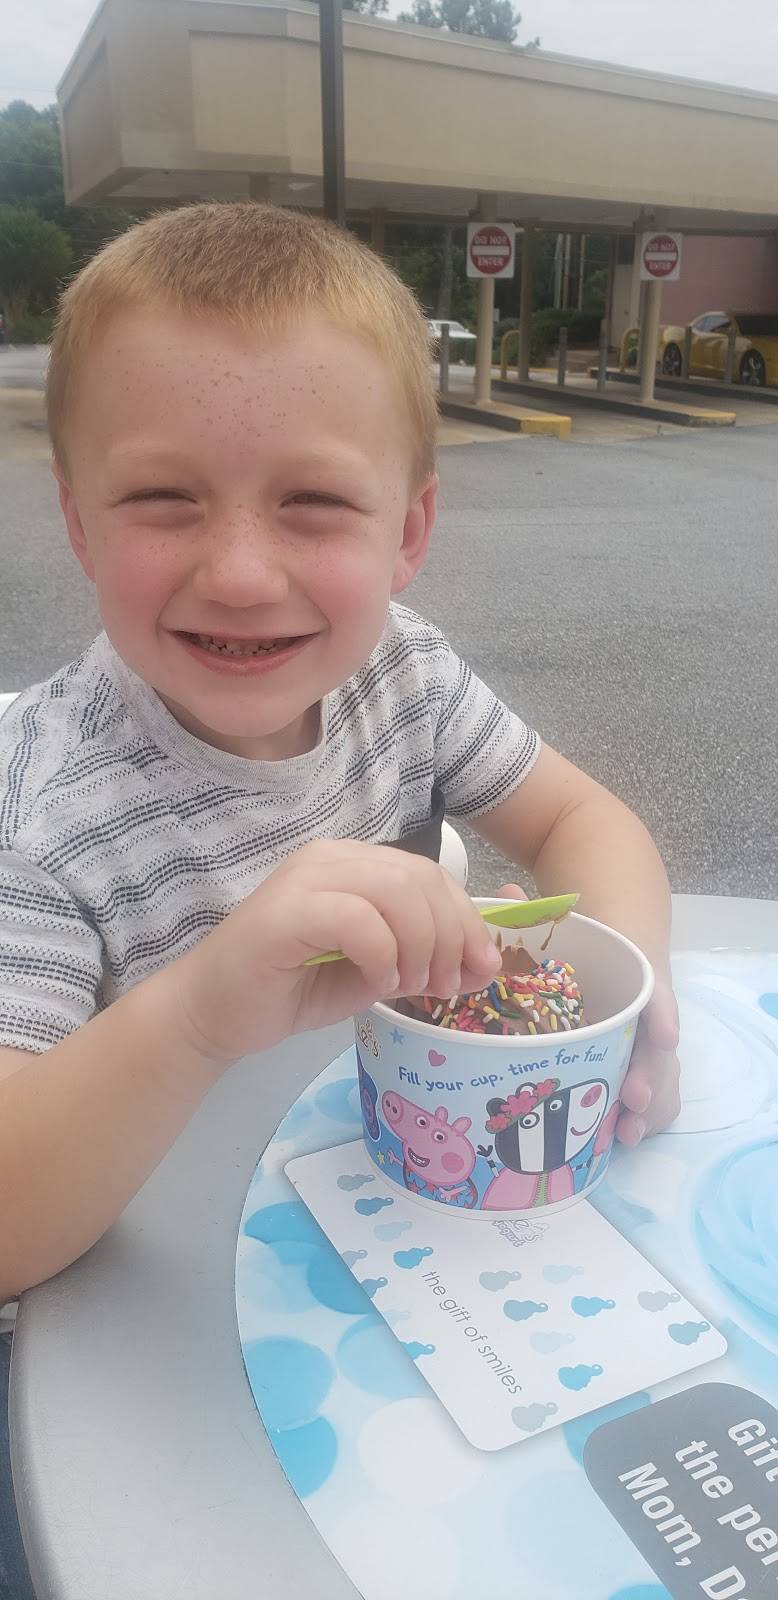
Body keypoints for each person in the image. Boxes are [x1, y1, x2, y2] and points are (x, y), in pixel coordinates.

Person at [0, 203, 679, 1308]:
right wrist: (198, 1014)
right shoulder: (36, 814)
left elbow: (580, 820)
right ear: (80, 525)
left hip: (402, 1237)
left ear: (406, 533)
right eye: (164, 500)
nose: (240, 575)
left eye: (312, 503)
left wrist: (628, 1001)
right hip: (152, 1310)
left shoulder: (402, 676)